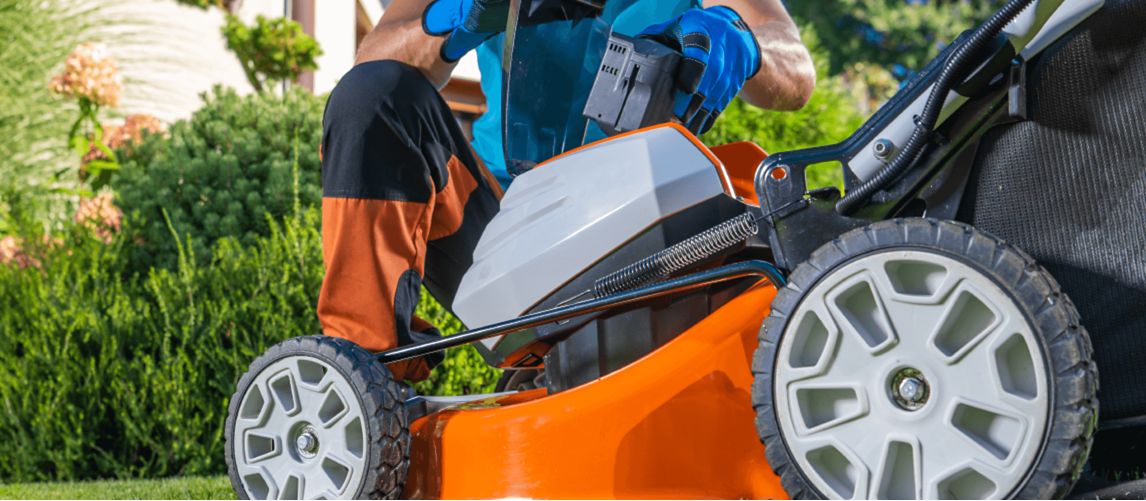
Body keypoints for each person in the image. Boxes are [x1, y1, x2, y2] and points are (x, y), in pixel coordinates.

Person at [318, 0, 816, 381]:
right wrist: (460, 14)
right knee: (375, 95)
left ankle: (553, 367)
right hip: (495, 236)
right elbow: (375, 57)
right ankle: (364, 376)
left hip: (635, 224)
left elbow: (796, 72)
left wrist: (743, 42)